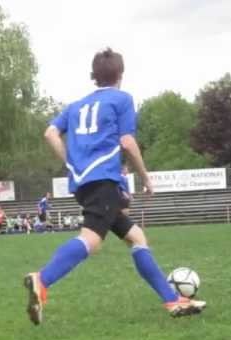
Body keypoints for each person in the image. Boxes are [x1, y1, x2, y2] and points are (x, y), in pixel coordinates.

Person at [23, 48, 206, 325]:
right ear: (120, 75)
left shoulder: (75, 106)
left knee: (136, 237)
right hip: (103, 181)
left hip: (84, 184)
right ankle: (42, 279)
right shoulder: (122, 99)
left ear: (93, 76)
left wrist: (72, 161)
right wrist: (145, 177)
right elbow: (128, 142)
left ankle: (172, 300)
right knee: (91, 241)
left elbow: (49, 132)